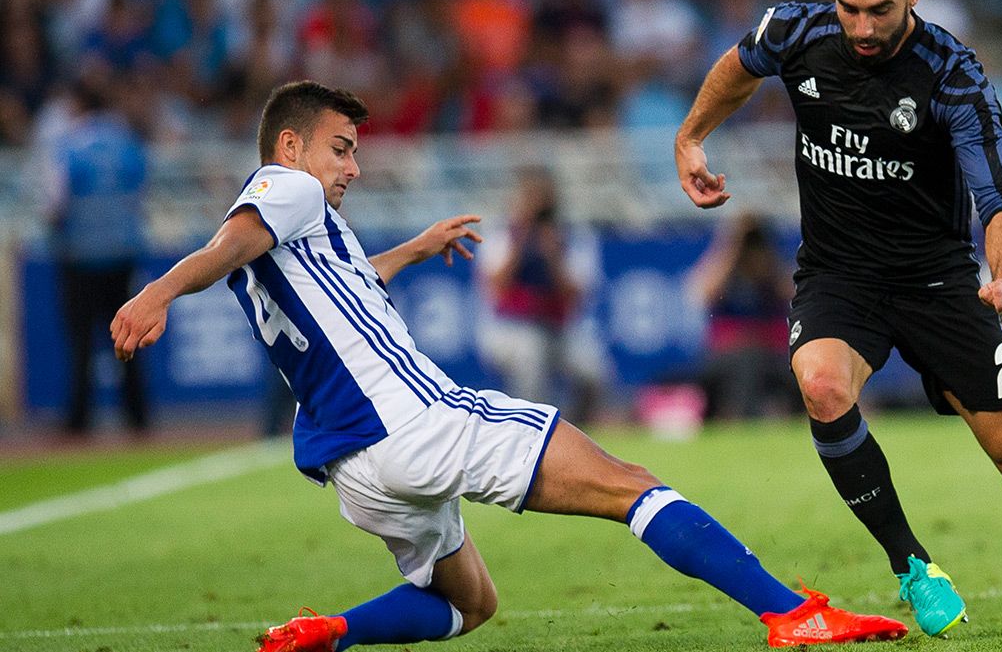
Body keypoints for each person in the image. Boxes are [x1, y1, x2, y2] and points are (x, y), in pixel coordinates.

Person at [110, 80, 907, 651]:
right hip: (413, 420)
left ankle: (333, 632)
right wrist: (157, 293)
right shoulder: (283, 189)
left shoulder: (299, 235)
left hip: (354, 466)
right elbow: (226, 244)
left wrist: (414, 249)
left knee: (470, 602)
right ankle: (789, 614)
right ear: (291, 146)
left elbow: (332, 286)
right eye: (341, 149)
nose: (352, 167)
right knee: (631, 484)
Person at [673, 0, 1002, 637]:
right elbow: (739, 64)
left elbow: (1001, 197)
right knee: (822, 385)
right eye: (848, 7)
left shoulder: (952, 74)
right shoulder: (796, 32)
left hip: (938, 280)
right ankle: (912, 564)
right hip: (838, 274)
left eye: (879, 9)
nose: (860, 25)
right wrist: (692, 136)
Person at [42, 80, 151, 436]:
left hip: (80, 255)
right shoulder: (126, 142)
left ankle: (79, 420)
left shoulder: (69, 145)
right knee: (129, 336)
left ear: (77, 104)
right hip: (122, 252)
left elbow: (56, 202)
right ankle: (137, 416)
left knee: (81, 343)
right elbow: (141, 190)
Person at [475, 166, 607, 423]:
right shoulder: (502, 232)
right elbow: (496, 288)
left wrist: (553, 255)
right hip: (510, 328)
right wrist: (522, 241)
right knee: (531, 355)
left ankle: (579, 432)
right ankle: (533, 434)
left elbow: (578, 295)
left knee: (593, 371)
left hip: (559, 328)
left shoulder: (572, 234)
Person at [686, 211, 801, 419]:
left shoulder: (772, 274)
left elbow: (794, 293)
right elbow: (702, 293)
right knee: (747, 361)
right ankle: (747, 419)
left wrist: (770, 255)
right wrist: (733, 242)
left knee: (759, 361)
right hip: (727, 356)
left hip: (772, 355)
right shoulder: (726, 275)